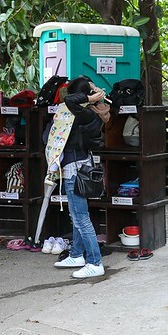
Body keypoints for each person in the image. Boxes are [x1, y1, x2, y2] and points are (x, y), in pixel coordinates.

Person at [44, 76, 111, 278]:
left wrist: (90, 97)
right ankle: (76, 255)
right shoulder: (92, 113)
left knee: (81, 218)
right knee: (77, 215)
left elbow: (69, 100)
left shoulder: (84, 113)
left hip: (74, 168)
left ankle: (95, 262)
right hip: (80, 164)